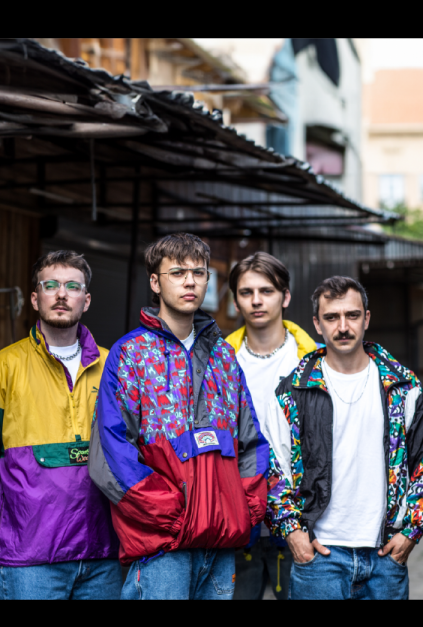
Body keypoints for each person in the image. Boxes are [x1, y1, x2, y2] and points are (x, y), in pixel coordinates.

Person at [89, 233, 269, 600]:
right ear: (155, 283)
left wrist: (244, 511)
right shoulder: (131, 354)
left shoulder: (224, 356)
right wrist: (172, 516)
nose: (190, 282)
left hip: (220, 546)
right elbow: (109, 455)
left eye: (199, 273)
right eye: (177, 273)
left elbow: (251, 443)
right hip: (163, 548)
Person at [0, 251, 121, 600]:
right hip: (29, 558)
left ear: (86, 300)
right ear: (35, 298)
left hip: (102, 552)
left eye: (72, 286)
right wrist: (20, 506)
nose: (61, 294)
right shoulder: (0, 370)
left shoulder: (113, 367)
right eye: (50, 285)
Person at [267, 276, 423, 600]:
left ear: (366, 318)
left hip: (385, 557)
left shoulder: (404, 388)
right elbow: (272, 468)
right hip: (318, 558)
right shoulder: (292, 392)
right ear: (317, 324)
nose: (342, 327)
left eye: (352, 315)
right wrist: (293, 532)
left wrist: (412, 531)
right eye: (331, 317)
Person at [226, 252, 316, 600]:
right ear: (236, 300)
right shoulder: (220, 361)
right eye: (246, 292)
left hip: (302, 523)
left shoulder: (313, 360)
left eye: (266, 291)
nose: (256, 300)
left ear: (285, 296)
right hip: (237, 523)